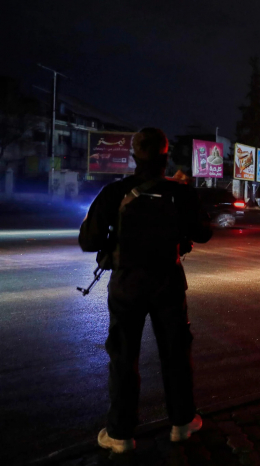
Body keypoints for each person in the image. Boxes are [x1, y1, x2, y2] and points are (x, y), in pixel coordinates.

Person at [79, 128, 212, 453]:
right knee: (176, 354)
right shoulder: (181, 194)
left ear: (134, 158)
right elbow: (204, 232)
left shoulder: (114, 193)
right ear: (166, 159)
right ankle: (182, 423)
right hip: (168, 283)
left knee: (124, 358)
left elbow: (88, 240)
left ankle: (121, 434)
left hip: (127, 285)